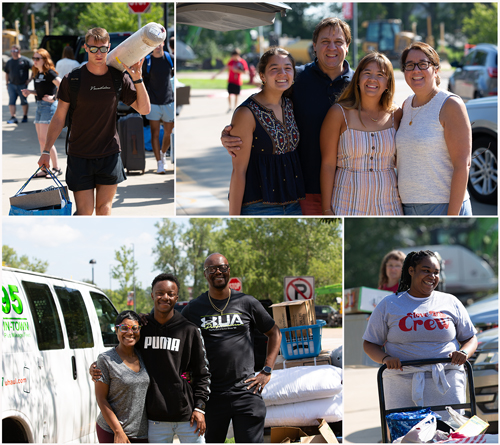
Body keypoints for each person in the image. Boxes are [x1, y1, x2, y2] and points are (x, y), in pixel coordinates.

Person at [221, 18, 354, 215]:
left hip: (349, 187)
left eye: (338, 41)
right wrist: (230, 134)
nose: (332, 47)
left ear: (348, 46)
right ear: (314, 46)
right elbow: (260, 107)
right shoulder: (295, 78)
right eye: (325, 41)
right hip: (302, 191)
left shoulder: (359, 84)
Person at [37, 27, 151, 216]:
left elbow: (144, 109)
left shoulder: (118, 77)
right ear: (85, 48)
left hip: (109, 154)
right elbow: (58, 118)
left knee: (104, 210)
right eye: (93, 49)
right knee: (84, 212)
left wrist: (138, 79)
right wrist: (46, 151)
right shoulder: (72, 79)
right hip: (80, 154)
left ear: (109, 47)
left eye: (103, 49)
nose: (99, 54)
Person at [92, 273, 210, 443]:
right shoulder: (143, 328)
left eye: (170, 294)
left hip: (187, 415)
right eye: (160, 293)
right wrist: (96, 366)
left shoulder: (189, 330)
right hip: (155, 419)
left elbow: (202, 373)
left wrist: (200, 408)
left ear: (177, 297)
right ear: (152, 295)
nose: (165, 297)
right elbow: (123, 351)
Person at [363, 250, 478, 422]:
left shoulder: (451, 302)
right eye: (426, 270)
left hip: (446, 381)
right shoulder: (389, 304)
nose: (432, 276)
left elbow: (470, 338)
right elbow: (370, 343)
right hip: (401, 382)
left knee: (448, 434)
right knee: (406, 435)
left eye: (436, 272)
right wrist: (385, 358)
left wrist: (463, 353)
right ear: (411, 271)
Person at [181, 253, 282, 443]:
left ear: (229, 271)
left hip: (246, 391)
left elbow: (274, 333)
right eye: (212, 269)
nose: (218, 272)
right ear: (205, 274)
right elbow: (172, 329)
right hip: (211, 395)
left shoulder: (247, 302)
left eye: (222, 267)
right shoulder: (194, 308)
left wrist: (267, 370)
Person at [320, 52, 403, 215]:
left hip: (389, 202)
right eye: (367, 73)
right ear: (357, 79)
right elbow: (328, 165)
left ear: (388, 83)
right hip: (345, 201)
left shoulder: (397, 115)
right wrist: (326, 209)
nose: (373, 79)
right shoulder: (339, 113)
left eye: (380, 75)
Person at [396, 42, 472, 216]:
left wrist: (452, 217)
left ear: (436, 70)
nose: (416, 70)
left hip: (444, 207)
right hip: (408, 207)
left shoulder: (450, 104)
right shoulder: (407, 104)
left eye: (423, 64)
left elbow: (463, 165)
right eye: (409, 65)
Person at [228, 47, 304, 215]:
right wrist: (234, 216)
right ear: (262, 75)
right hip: (259, 206)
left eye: (287, 68)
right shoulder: (246, 113)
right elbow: (238, 171)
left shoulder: (290, 105)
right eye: (274, 68)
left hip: (293, 204)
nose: (282, 73)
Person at [95, 310, 149, 443]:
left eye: (134, 328)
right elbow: (101, 398)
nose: (130, 333)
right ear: (116, 330)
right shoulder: (105, 360)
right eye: (124, 328)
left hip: (142, 433)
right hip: (111, 430)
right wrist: (118, 431)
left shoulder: (145, 356)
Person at [21, 48, 63, 178]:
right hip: (39, 106)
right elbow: (40, 91)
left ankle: (56, 168)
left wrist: (54, 98)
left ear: (44, 60)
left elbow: (62, 85)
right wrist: (30, 92)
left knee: (46, 140)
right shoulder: (36, 73)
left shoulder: (49, 73)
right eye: (33, 58)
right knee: (41, 140)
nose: (34, 61)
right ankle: (45, 168)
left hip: (48, 107)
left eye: (37, 58)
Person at [144, 41, 174, 174]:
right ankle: (159, 163)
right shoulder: (147, 61)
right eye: (154, 44)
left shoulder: (169, 58)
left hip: (169, 101)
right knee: (154, 133)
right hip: (153, 102)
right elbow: (143, 82)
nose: (157, 46)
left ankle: (163, 154)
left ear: (163, 43)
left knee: (168, 133)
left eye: (159, 43)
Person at [4, 44, 33, 124]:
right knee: (11, 102)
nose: (13, 52)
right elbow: (7, 73)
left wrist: (29, 80)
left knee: (23, 101)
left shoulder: (25, 60)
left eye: (15, 51)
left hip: (22, 85)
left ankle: (25, 116)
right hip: (11, 85)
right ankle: (13, 117)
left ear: (19, 51)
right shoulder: (9, 62)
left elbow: (34, 69)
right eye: (12, 51)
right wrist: (7, 84)